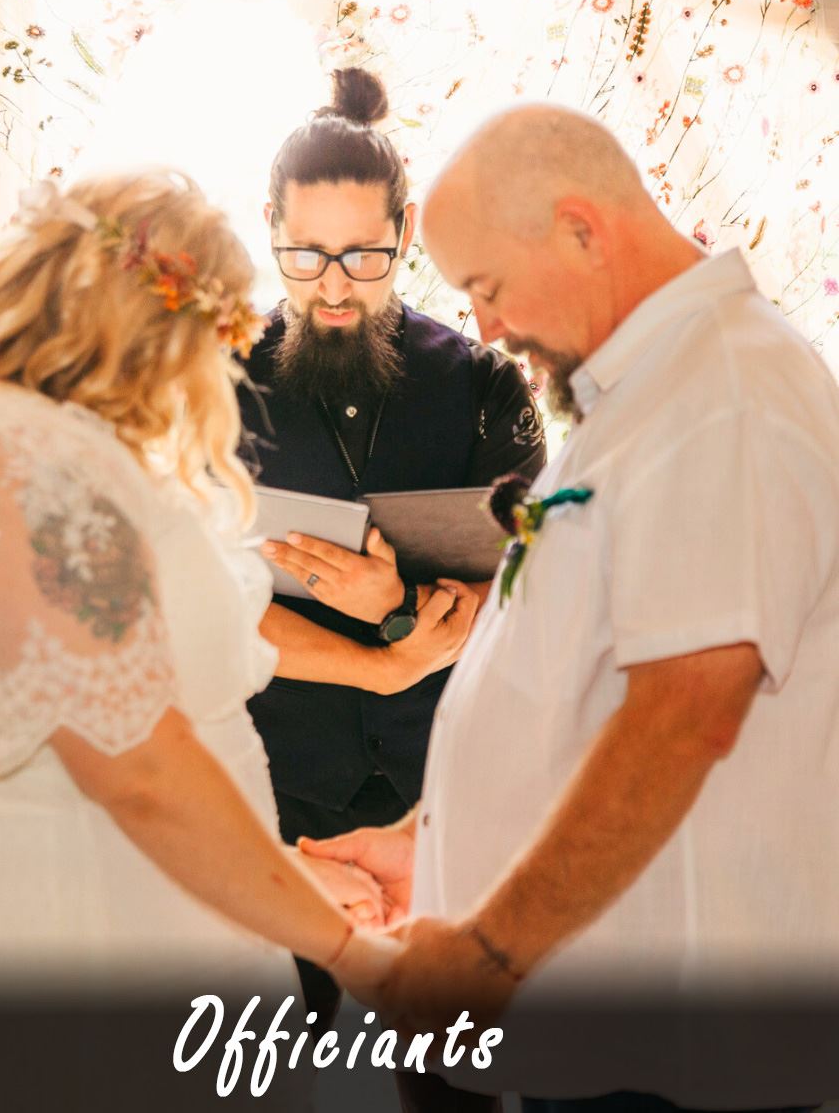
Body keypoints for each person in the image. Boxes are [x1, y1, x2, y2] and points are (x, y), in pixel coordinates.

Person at [305, 105, 839, 1112]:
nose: (489, 328)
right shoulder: (643, 396)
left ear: (584, 230)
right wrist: (435, 833)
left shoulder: (724, 394)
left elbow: (683, 717)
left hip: (682, 1046)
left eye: (488, 287)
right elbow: (574, 689)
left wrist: (487, 954)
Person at [0, 171, 397, 1110]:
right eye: (212, 341)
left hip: (114, 911)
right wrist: (344, 950)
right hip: (56, 936)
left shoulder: (16, 443)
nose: (211, 377)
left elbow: (84, 739)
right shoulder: (16, 458)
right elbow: (132, 763)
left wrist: (281, 869)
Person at [236, 67, 546, 1023]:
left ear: (405, 234)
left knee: (459, 1068)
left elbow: (541, 598)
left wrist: (400, 611)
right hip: (273, 801)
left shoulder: (487, 384)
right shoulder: (206, 383)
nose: (333, 286)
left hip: (448, 806)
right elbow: (171, 617)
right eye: (307, 255)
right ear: (270, 228)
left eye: (365, 256)